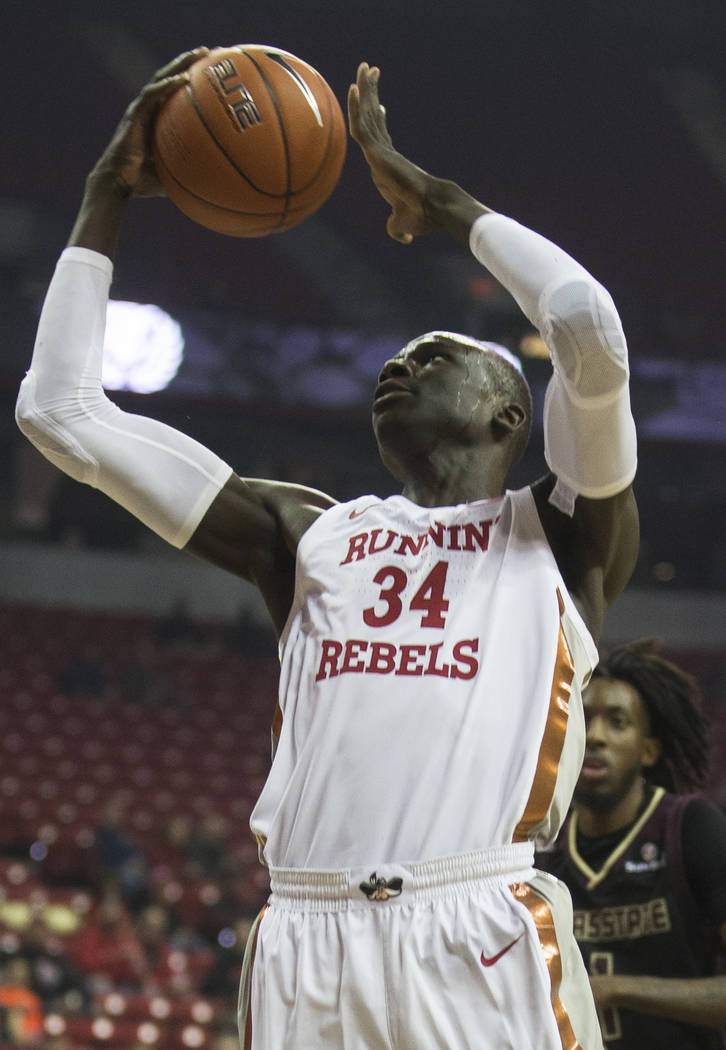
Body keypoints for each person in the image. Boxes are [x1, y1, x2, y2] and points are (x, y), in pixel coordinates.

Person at [15, 49, 640, 1050]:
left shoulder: (559, 536)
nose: (401, 365)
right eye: (394, 360)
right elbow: (59, 413)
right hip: (305, 936)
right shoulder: (309, 533)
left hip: (474, 926)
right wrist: (106, 197)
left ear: (508, 413)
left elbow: (589, 332)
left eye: (435, 355)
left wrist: (450, 206)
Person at [537, 639, 726, 1049]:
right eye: (586, 720)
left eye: (617, 722)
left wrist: (617, 988)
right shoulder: (542, 847)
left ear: (649, 750)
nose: (597, 736)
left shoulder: (692, 829)